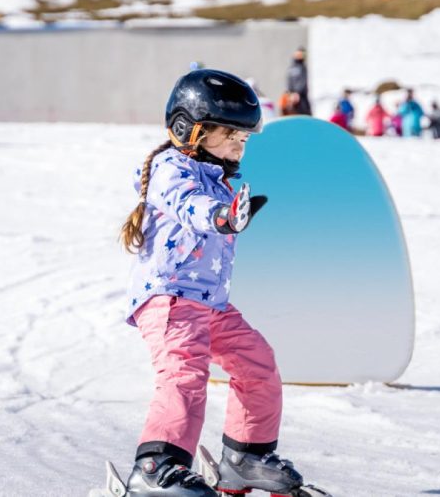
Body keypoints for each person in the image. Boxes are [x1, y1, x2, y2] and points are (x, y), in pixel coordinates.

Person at [117, 69, 315, 497]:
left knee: (258, 363)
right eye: (231, 136)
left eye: (244, 139)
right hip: (170, 300)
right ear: (190, 130)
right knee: (184, 374)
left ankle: (246, 457)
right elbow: (188, 204)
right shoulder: (170, 169)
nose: (239, 146)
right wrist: (222, 217)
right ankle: (157, 466)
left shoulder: (219, 180)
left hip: (211, 303)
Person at [284, 49, 311, 116]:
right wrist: (292, 94)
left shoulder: (302, 68)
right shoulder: (293, 68)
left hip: (300, 97)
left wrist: (296, 93)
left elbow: (303, 82)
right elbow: (289, 82)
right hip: (296, 97)